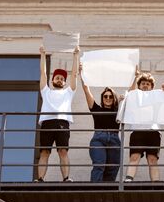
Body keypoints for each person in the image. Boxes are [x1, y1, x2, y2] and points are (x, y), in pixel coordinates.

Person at [36, 45, 79, 182]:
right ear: (52, 80)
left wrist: (75, 55)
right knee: (44, 152)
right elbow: (43, 73)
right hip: (47, 122)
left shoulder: (68, 92)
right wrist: (43, 54)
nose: (59, 79)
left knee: (63, 151)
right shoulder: (46, 91)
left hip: (62, 122)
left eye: (62, 78)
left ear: (65, 82)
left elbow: (75, 74)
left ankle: (66, 178)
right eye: (57, 77)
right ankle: (41, 178)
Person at [124, 68, 164, 182]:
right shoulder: (135, 96)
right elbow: (130, 93)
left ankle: (156, 182)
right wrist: (135, 77)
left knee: (152, 159)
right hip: (137, 131)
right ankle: (129, 179)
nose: (145, 86)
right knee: (134, 157)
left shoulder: (156, 96)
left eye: (148, 84)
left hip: (153, 131)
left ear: (151, 87)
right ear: (139, 85)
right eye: (143, 83)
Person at [79, 63, 121, 182]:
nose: (108, 98)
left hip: (114, 139)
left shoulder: (119, 112)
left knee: (113, 168)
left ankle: (108, 193)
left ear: (114, 99)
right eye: (105, 96)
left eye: (110, 97)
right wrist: (82, 74)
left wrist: (135, 76)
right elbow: (86, 90)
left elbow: (132, 94)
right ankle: (96, 189)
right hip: (99, 138)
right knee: (99, 165)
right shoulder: (96, 109)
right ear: (102, 98)